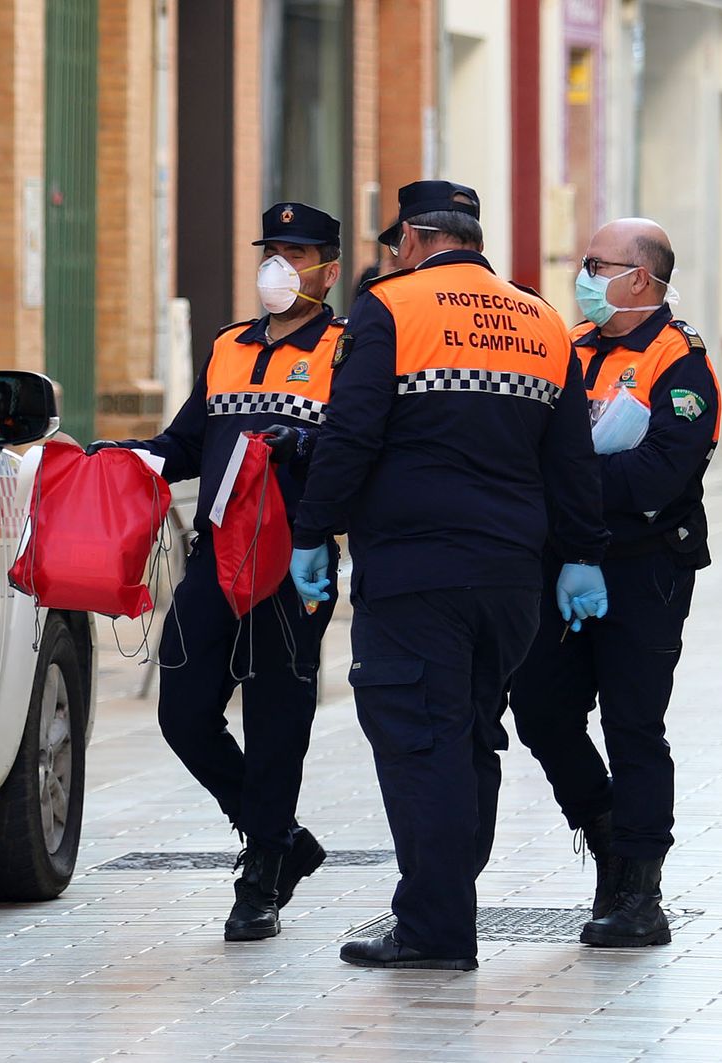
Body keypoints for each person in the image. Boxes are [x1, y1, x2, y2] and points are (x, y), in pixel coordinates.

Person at [288, 181, 612, 970]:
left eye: (395, 240)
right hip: (512, 578)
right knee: (469, 737)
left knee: (418, 741)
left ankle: (436, 927)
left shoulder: (391, 306)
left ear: (417, 236)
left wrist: (311, 534)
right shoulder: (538, 317)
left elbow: (353, 430)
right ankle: (443, 900)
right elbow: (569, 454)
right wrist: (581, 552)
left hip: (416, 570)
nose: (392, 253)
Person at [90, 201, 347, 942]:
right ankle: (282, 836)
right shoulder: (230, 345)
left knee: (276, 717)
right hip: (218, 553)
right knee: (183, 710)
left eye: (297, 254)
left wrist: (304, 442)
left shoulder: (349, 350)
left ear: (328, 270)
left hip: (294, 560)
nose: (281, 266)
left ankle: (262, 869)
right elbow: (189, 442)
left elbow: (363, 450)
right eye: (273, 250)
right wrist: (131, 455)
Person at [506, 219, 719, 948]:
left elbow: (662, 471)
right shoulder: (568, 346)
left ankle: (639, 889)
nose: (583, 274)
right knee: (538, 709)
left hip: (641, 568)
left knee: (633, 724)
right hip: (560, 564)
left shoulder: (678, 360)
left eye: (596, 264)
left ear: (638, 278)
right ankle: (603, 825)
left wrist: (568, 482)